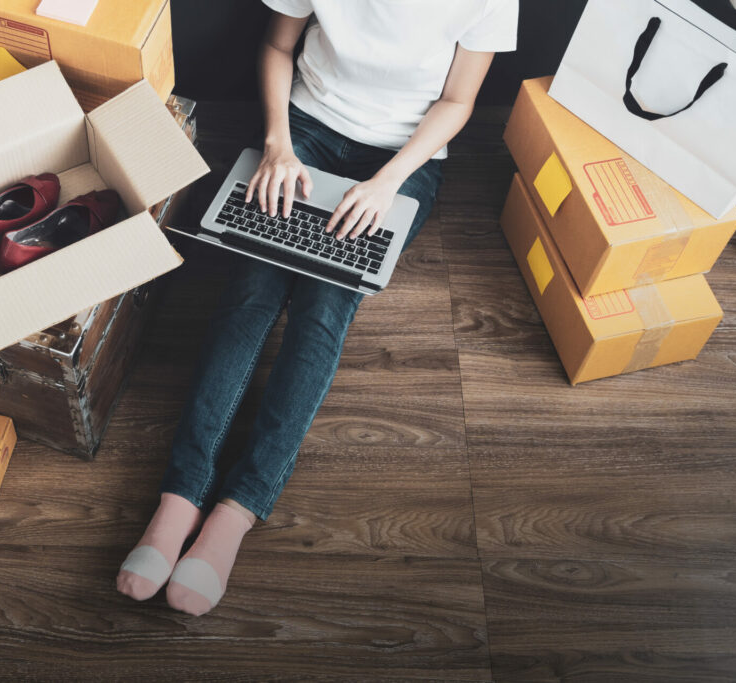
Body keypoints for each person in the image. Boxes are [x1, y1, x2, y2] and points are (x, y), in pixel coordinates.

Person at [117, 0, 518, 616]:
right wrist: (277, 144)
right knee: (249, 295)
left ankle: (237, 511)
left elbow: (457, 102)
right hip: (304, 129)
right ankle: (180, 497)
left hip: (401, 157)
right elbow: (279, 47)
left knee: (324, 311)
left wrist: (389, 182)